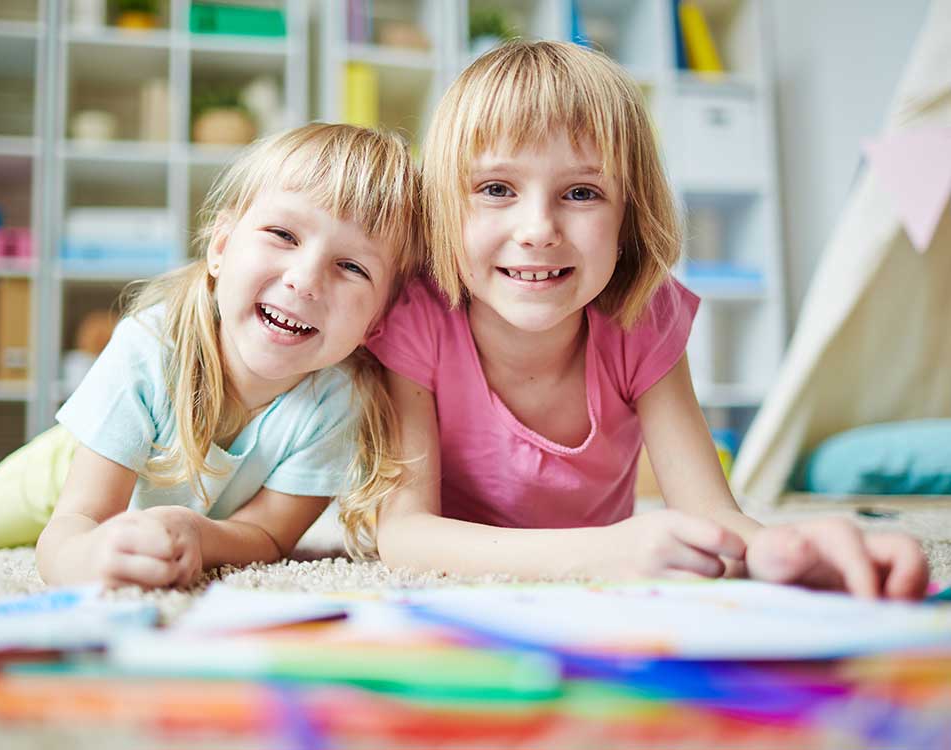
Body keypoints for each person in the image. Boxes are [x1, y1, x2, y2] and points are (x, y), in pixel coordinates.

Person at [366, 40, 929, 599]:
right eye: (496, 189)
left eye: (581, 192)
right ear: (442, 206)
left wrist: (797, 553)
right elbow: (404, 534)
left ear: (628, 217)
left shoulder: (644, 317)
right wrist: (603, 552)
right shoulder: (419, 315)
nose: (538, 229)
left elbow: (711, 513)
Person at [0, 123, 422, 588]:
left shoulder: (338, 399)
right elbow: (76, 521)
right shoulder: (149, 347)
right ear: (221, 248)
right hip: (70, 466)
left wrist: (195, 532)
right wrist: (89, 555)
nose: (305, 279)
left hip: (176, 503)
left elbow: (270, 536)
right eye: (284, 236)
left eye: (352, 266)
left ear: (376, 322)